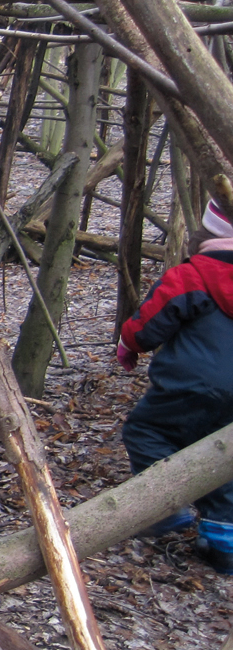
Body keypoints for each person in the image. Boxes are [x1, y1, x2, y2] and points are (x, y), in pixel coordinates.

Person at [118, 200, 233, 573]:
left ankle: (164, 507)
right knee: (223, 454)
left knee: (146, 431)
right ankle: (223, 540)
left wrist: (129, 344)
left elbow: (152, 320)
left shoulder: (194, 274)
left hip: (191, 382)